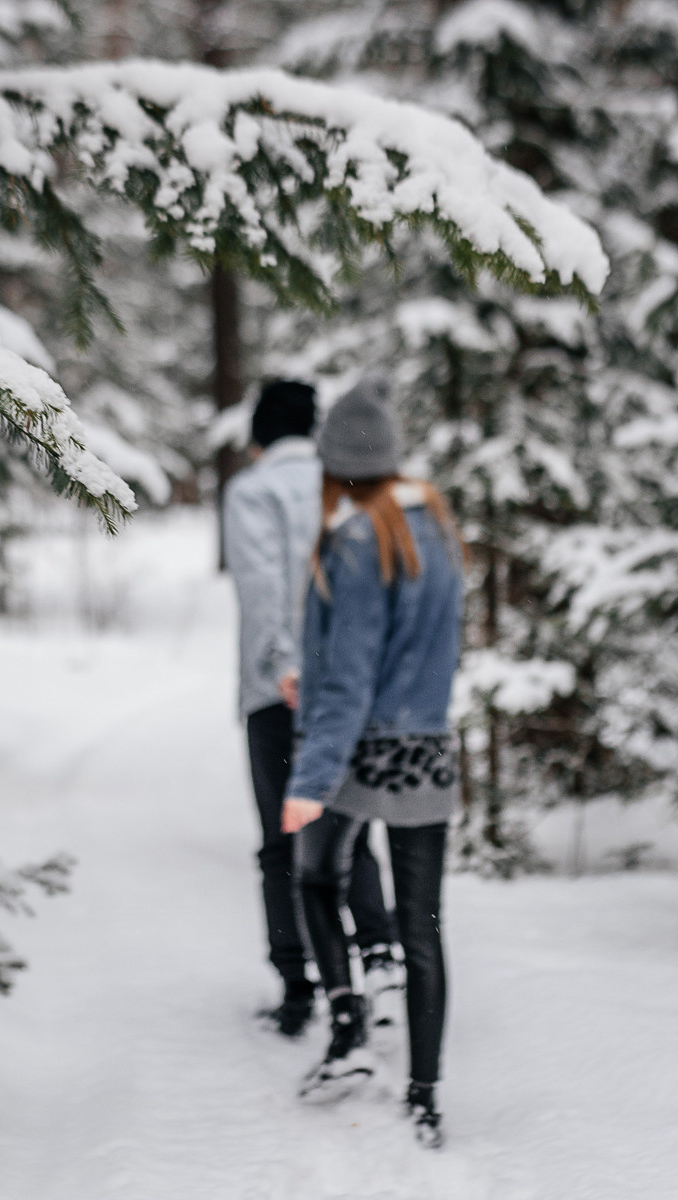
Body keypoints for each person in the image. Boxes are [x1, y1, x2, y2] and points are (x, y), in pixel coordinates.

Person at [282, 373, 465, 1147]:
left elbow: (353, 681)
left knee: (315, 877)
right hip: (427, 753)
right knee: (424, 931)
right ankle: (424, 1099)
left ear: (337, 466)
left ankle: (349, 1028)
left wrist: (311, 781)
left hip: (360, 755)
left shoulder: (357, 542)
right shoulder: (439, 533)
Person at [223, 378, 400, 1038]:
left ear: (258, 434)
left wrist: (279, 664)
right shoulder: (341, 482)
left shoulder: (254, 491)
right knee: (349, 825)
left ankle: (299, 984)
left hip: (280, 691)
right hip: (350, 686)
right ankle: (378, 958)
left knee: (283, 838)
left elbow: (263, 583)